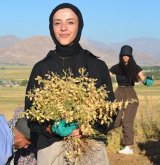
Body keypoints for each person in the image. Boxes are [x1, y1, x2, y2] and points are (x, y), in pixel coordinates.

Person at [25, 3, 115, 164]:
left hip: (90, 148)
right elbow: (31, 117)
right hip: (52, 150)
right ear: (51, 27)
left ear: (79, 26)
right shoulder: (41, 68)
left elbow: (109, 114)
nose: (63, 28)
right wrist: (51, 128)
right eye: (57, 23)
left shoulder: (97, 66)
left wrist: (86, 129)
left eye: (70, 22)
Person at [109, 45, 153, 155]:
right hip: (118, 93)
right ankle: (102, 137)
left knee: (127, 120)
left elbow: (143, 79)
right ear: (120, 55)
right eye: (123, 55)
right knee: (114, 118)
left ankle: (128, 147)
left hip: (130, 94)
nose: (125, 57)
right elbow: (106, 76)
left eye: (127, 55)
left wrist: (148, 82)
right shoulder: (116, 67)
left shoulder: (135, 67)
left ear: (130, 56)